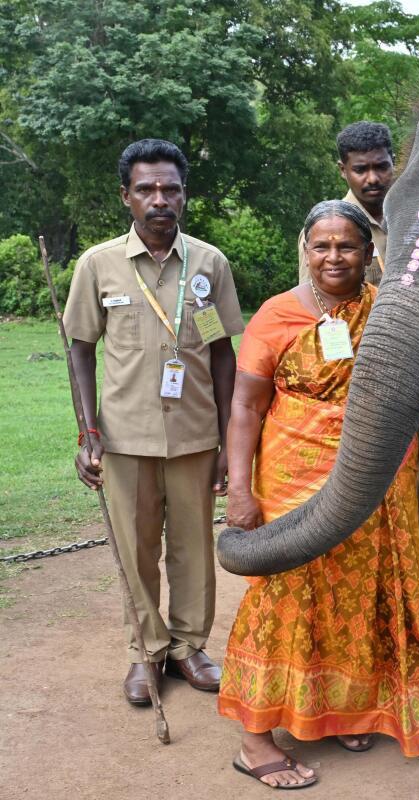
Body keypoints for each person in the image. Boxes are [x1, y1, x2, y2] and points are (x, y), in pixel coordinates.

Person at [219, 200, 419, 788]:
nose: (333, 257)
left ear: (369, 254)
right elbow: (246, 406)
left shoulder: (386, 314)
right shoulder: (276, 315)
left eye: (346, 246)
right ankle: (254, 740)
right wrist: (240, 490)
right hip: (293, 473)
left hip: (375, 471)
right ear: (306, 251)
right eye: (321, 246)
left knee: (364, 587)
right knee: (286, 588)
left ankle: (344, 709)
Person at [64, 138, 243, 705]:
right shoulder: (99, 265)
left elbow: (221, 354)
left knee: (193, 548)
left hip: (195, 435)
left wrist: (227, 442)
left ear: (184, 195)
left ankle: (189, 647)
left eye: (169, 188)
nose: (159, 198)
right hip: (123, 438)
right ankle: (145, 653)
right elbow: (80, 350)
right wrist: (87, 432)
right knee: (135, 549)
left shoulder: (208, 263)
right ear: (127, 196)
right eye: (146, 189)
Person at [297, 121, 394, 285]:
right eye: (360, 170)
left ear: (393, 162)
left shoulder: (417, 218)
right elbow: (312, 297)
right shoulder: (323, 228)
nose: (373, 179)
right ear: (343, 170)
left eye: (381, 167)